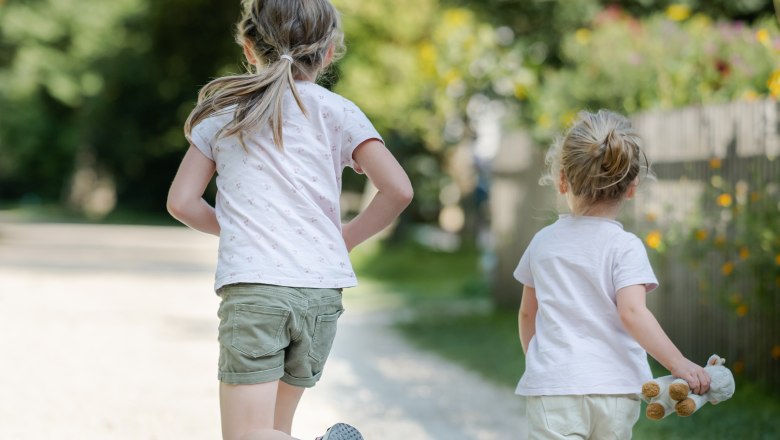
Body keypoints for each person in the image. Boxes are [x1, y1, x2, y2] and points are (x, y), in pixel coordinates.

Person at [166, 1, 413, 439]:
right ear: (330, 52)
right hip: (319, 296)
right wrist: (348, 237)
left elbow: (183, 202)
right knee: (274, 428)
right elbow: (398, 189)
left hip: (258, 291)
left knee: (248, 435)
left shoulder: (227, 113)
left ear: (248, 47)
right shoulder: (338, 111)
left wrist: (242, 227)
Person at [514, 109, 710, 439]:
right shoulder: (625, 246)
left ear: (562, 180)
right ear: (631, 188)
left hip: (554, 390)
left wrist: (544, 365)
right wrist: (678, 363)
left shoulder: (542, 242)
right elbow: (633, 312)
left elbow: (526, 314)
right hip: (615, 389)